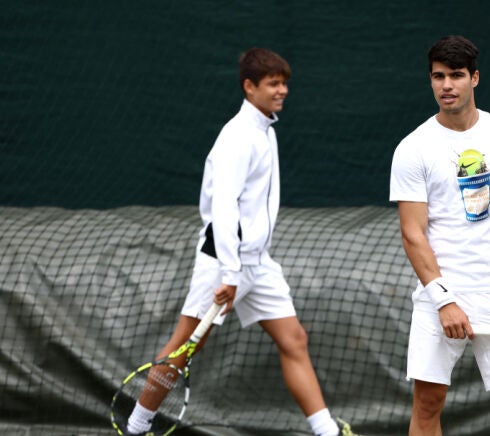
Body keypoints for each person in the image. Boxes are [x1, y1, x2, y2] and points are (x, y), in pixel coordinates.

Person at [124, 47, 352, 436]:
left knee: (294, 339)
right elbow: (224, 207)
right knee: (183, 347)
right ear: (249, 87)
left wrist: (245, 265)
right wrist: (230, 273)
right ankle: (136, 426)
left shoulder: (266, 131)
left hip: (258, 263)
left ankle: (327, 431)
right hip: (222, 264)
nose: (282, 91)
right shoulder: (237, 137)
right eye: (273, 84)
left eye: (284, 83)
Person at [389, 35, 490, 435]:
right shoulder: (413, 148)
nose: (447, 85)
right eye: (438, 76)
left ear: (474, 78)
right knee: (427, 403)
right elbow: (412, 234)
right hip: (439, 295)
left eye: (456, 75)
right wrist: (444, 300)